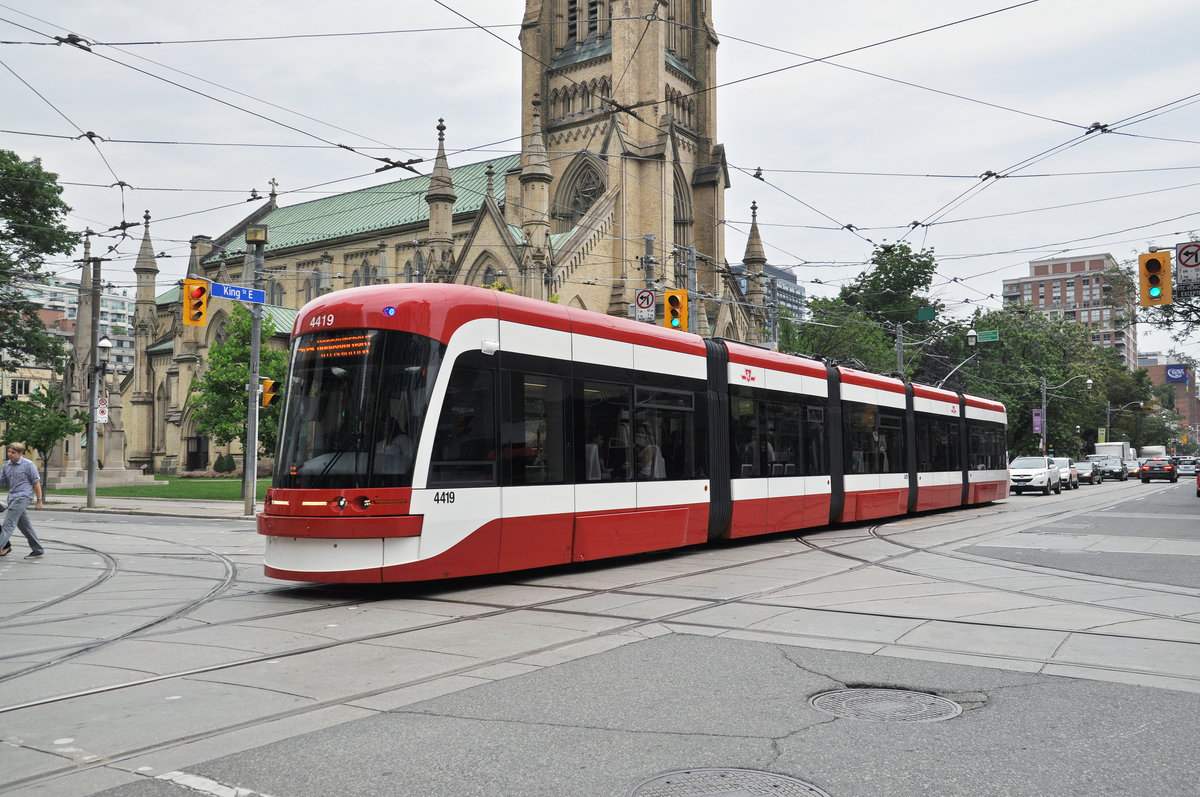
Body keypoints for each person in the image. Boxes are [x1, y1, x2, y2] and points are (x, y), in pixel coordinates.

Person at [0, 442, 46, 560]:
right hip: (12, 498)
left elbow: (36, 482)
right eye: (9, 451)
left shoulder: (28, 465)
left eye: (13, 452)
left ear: (20, 453)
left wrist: (39, 500)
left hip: (23, 497)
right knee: (25, 526)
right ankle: (38, 549)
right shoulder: (6, 465)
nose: (10, 454)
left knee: (8, 525)